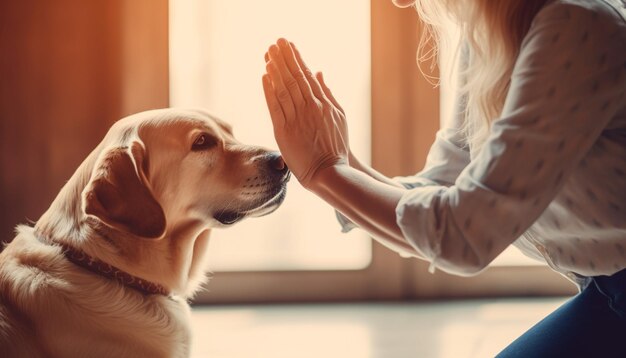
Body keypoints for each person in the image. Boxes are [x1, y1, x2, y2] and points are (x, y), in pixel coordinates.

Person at [262, 0, 626, 356]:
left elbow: (466, 235)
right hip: (604, 287)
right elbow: (444, 187)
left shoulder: (575, 26)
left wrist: (326, 172)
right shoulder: (489, 37)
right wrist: (343, 163)